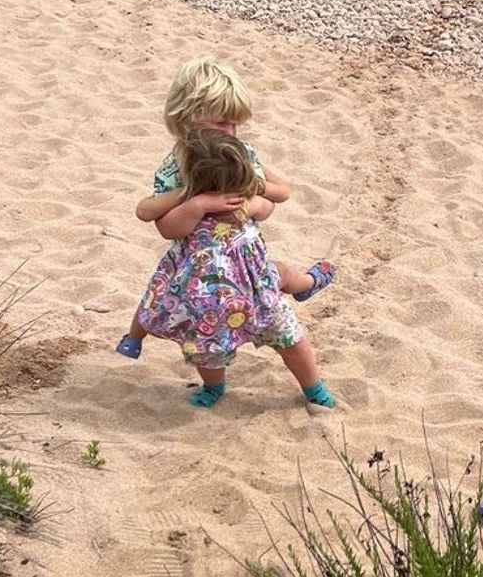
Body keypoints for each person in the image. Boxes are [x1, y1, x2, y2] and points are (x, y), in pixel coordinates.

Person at [116, 56, 333, 359]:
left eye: (235, 123)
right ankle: (134, 338)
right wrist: (196, 199)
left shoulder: (241, 154)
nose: (230, 132)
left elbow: (280, 193)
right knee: (160, 289)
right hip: (193, 257)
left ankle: (308, 283)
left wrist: (253, 191)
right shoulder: (176, 166)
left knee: (277, 278)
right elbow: (158, 220)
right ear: (187, 117)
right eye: (221, 122)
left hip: (242, 255)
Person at [130, 131, 336, 410]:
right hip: (208, 306)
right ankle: (214, 386)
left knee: (290, 338)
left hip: (259, 294)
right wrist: (198, 204)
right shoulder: (190, 210)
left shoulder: (246, 202)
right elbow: (167, 228)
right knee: (207, 350)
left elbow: (268, 205)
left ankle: (314, 388)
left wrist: (251, 202)